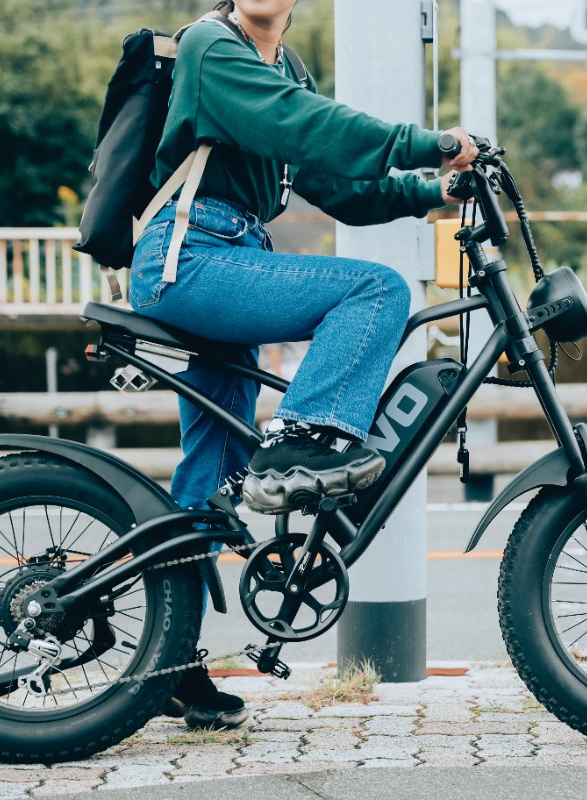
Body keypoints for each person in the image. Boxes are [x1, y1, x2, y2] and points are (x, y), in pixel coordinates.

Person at [129, 0, 478, 729]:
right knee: (374, 289)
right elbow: (307, 127)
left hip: (232, 261)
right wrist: (431, 143)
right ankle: (303, 440)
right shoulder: (211, 46)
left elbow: (339, 185)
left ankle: (170, 659)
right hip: (190, 257)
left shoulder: (287, 68)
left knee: (213, 477)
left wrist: (434, 190)